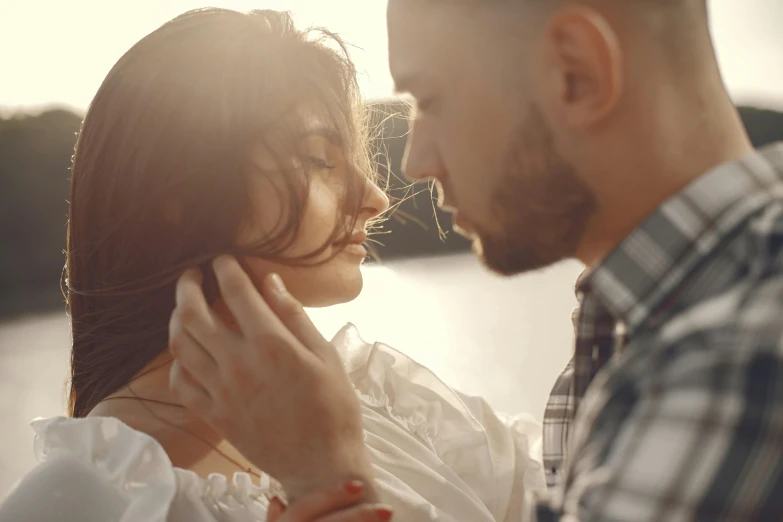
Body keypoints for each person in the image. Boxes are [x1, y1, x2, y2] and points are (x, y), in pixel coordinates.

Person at [164, 0, 783, 521]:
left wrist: (331, 486)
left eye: (430, 100)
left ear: (577, 73)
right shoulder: (648, 326)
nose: (415, 163)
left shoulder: (734, 360)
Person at [0, 7, 546, 522]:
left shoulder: (376, 401)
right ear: (180, 194)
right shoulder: (75, 503)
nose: (375, 196)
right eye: (318, 160)